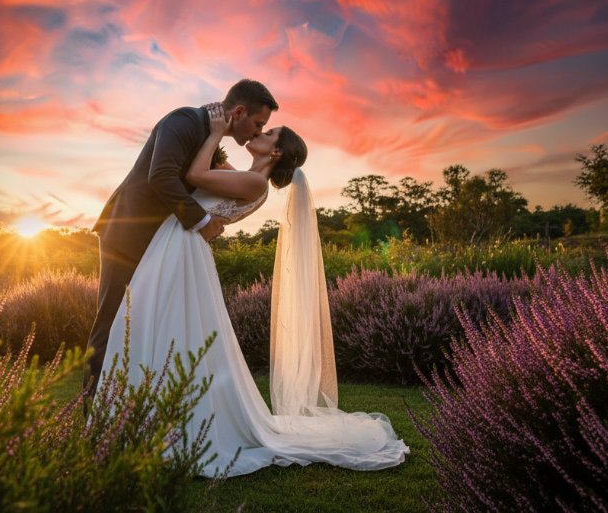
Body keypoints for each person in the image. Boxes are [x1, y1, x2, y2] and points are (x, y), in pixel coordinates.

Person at [96, 104, 410, 476]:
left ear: (275, 152)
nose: (260, 133)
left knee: (162, 325)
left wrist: (214, 131)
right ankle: (146, 417)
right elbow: (201, 173)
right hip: (177, 245)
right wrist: (214, 139)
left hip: (181, 249)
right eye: (262, 126)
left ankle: (166, 423)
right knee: (162, 327)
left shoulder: (255, 184)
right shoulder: (245, 177)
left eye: (267, 132)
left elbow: (196, 173)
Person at [86, 80, 279, 394]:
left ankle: (130, 405)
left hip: (161, 242)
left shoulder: (210, 141)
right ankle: (92, 410)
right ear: (239, 111)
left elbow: (222, 182)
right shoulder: (185, 120)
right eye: (258, 125)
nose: (257, 132)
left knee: (147, 324)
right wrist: (202, 221)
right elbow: (160, 175)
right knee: (111, 319)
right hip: (127, 231)